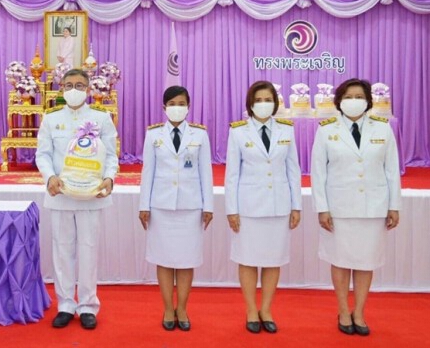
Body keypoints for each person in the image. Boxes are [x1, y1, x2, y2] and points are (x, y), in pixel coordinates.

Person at [311, 78, 400, 337]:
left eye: (359, 96)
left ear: (368, 101)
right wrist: (322, 208)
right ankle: (342, 310)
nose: (353, 101)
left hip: (373, 207)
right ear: (339, 101)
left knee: (365, 261)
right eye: (348, 96)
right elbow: (319, 173)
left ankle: (359, 312)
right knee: (340, 261)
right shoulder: (326, 130)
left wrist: (394, 206)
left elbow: (392, 170)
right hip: (339, 209)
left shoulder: (383, 129)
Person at [36, 68, 118, 330]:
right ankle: (65, 305)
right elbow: (43, 154)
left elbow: (111, 156)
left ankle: (87, 305)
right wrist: (49, 177)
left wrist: (109, 178)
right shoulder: (51, 119)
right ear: (61, 89)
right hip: (61, 194)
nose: (74, 90)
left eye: (80, 85)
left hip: (91, 194)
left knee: (88, 249)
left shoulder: (102, 118)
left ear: (89, 88)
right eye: (69, 85)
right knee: (62, 250)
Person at [224, 81, 302, 334]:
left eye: (268, 99)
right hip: (248, 207)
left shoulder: (286, 130)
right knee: (247, 260)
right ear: (250, 104)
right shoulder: (238, 132)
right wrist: (231, 209)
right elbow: (232, 174)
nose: (263, 104)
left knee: (272, 260)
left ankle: (266, 309)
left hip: (279, 205)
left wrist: (296, 206)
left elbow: (293, 170)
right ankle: (250, 310)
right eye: (258, 100)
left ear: (275, 103)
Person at [138, 85, 213, 332]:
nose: (176, 108)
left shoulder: (199, 135)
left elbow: (206, 173)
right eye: (172, 104)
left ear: (188, 106)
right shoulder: (153, 135)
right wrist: (144, 205)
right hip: (161, 205)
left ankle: (182, 307)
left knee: (185, 260)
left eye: (181, 103)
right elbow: (147, 172)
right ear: (164, 107)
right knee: (164, 259)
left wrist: (208, 206)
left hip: (190, 206)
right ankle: (168, 308)